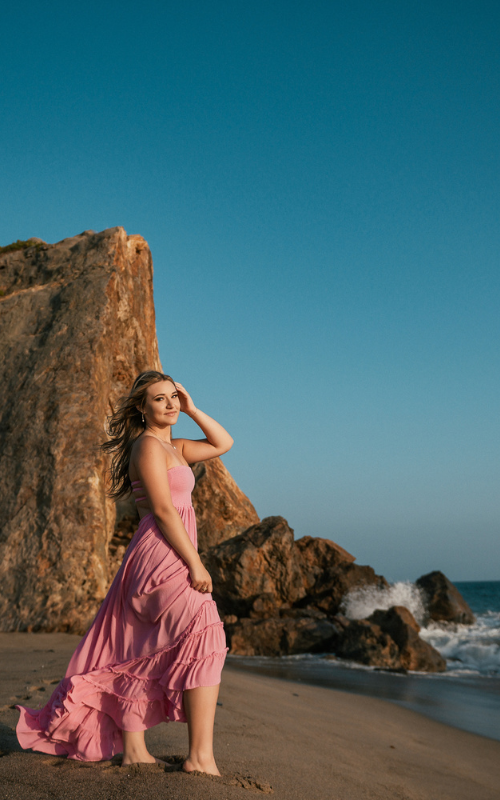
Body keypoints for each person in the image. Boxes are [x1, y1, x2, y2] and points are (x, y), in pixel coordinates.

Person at [16, 370, 233, 775]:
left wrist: (193, 408)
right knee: (207, 630)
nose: (169, 404)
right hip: (161, 553)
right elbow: (165, 511)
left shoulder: (177, 447)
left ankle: (135, 750)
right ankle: (200, 758)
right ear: (141, 407)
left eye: (173, 397)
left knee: (138, 649)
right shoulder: (147, 447)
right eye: (160, 399)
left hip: (169, 550)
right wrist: (196, 563)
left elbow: (225, 443)